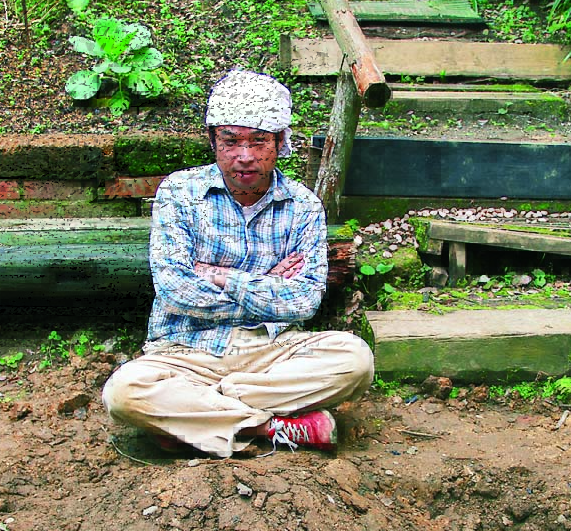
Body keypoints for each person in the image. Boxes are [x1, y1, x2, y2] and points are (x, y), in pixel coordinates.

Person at [102, 68, 374, 458]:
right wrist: (266, 283)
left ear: (280, 142)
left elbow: (304, 302)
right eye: (230, 141)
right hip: (185, 351)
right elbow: (175, 291)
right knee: (124, 393)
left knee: (355, 360)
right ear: (213, 141)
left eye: (259, 141)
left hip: (272, 350)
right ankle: (269, 426)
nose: (244, 156)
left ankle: (198, 413)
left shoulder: (303, 206)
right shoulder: (180, 193)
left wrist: (223, 276)